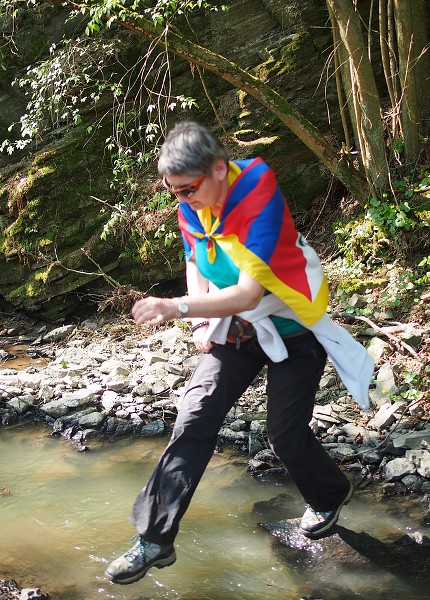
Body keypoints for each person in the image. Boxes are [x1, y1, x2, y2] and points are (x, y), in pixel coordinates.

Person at [105, 121, 373, 585]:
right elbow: (194, 255)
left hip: (293, 329)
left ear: (219, 169)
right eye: (173, 193)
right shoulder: (193, 202)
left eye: (187, 190)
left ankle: (329, 494)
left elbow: (250, 293)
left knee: (284, 434)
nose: (181, 200)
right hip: (235, 331)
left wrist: (177, 307)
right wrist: (202, 320)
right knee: (194, 415)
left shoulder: (258, 193)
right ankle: (155, 539)